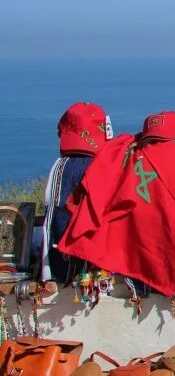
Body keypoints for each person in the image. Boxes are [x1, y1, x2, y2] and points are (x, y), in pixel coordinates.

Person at [40, 102, 113, 284]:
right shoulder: (110, 165)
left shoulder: (60, 168)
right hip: (103, 267)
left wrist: (46, 273)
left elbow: (51, 221)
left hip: (64, 267)